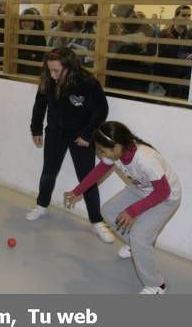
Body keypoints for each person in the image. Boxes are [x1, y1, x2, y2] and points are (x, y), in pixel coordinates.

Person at [64, 121, 181, 294]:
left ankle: (157, 284)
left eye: (103, 151)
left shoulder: (145, 159)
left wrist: (132, 210)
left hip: (167, 197)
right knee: (108, 211)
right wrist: (77, 191)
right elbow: (98, 172)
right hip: (142, 189)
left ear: (118, 146)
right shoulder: (115, 154)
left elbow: (163, 191)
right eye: (99, 150)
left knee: (140, 236)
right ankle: (135, 245)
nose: (100, 154)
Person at [26, 48, 113, 243]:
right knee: (49, 172)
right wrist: (36, 129)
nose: (52, 75)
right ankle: (41, 205)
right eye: (50, 70)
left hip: (81, 136)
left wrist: (88, 134)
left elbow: (101, 110)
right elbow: (39, 105)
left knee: (87, 178)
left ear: (70, 67)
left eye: (57, 71)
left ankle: (97, 220)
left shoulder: (88, 83)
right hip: (55, 133)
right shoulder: (49, 81)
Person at [17, 7, 46, 76]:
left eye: (30, 21)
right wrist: (29, 55)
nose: (26, 23)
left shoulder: (40, 37)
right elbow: (13, 55)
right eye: (24, 21)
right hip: (17, 70)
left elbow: (38, 58)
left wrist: (20, 55)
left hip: (33, 72)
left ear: (34, 23)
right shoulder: (16, 35)